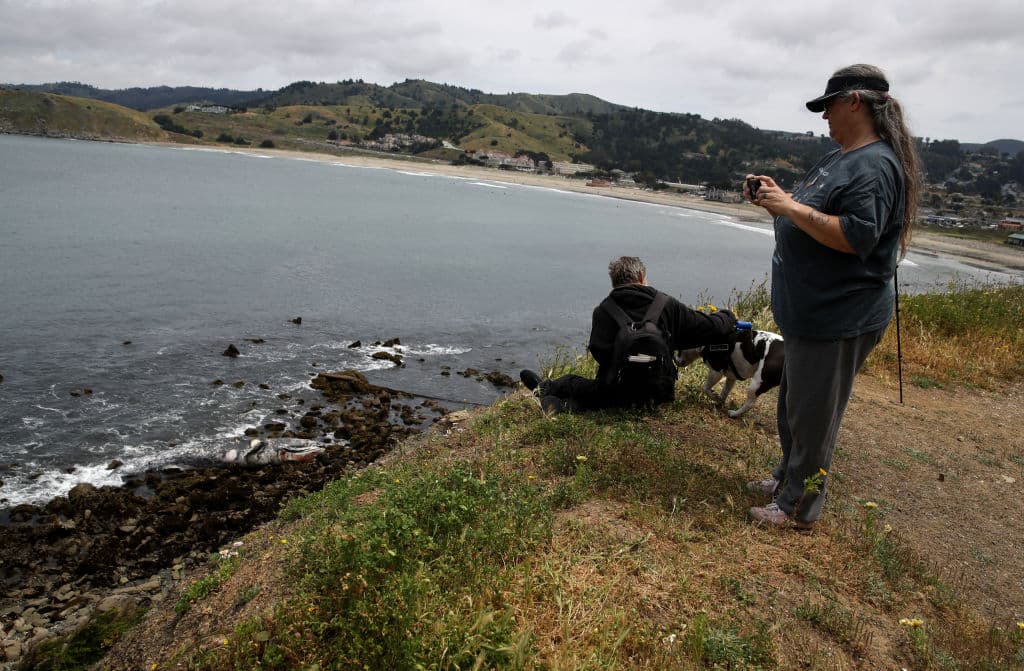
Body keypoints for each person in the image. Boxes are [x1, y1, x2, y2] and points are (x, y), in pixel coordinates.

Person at [743, 64, 921, 529]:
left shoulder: (875, 165)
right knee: (795, 406)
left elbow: (857, 235)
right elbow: (809, 215)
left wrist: (790, 207)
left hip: (839, 315)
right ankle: (786, 479)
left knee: (815, 416)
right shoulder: (840, 157)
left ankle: (799, 507)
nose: (824, 116)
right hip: (811, 313)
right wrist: (778, 200)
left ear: (855, 102)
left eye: (828, 106)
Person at [520, 256, 737, 412]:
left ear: (614, 282)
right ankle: (551, 397)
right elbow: (709, 328)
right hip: (659, 393)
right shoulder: (667, 305)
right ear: (642, 277)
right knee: (587, 390)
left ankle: (546, 390)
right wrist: (728, 316)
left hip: (614, 391)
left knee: (571, 382)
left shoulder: (603, 310)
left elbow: (598, 351)